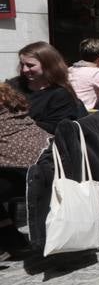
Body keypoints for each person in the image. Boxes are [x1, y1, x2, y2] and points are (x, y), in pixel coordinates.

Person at [0, 82, 49, 259]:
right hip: (43, 167)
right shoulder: (8, 97)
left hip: (27, 176)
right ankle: (12, 239)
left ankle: (9, 240)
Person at [8, 42, 86, 134]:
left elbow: (56, 127)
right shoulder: (13, 85)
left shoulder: (60, 94)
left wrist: (17, 124)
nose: (24, 69)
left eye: (30, 65)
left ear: (47, 65)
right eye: (22, 64)